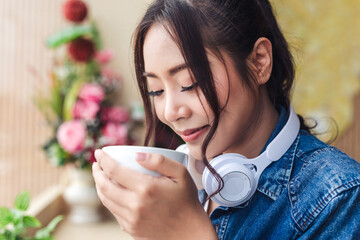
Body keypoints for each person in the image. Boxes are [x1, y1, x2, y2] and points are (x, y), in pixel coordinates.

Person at [92, 0, 360, 239]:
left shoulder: (337, 198)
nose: (170, 112)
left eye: (190, 83)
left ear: (259, 62)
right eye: (156, 91)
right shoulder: (181, 187)